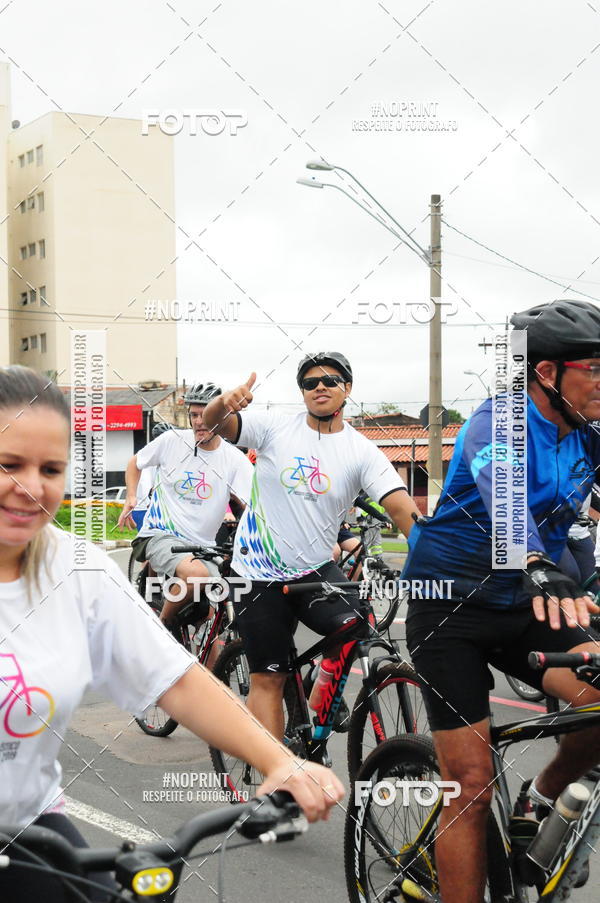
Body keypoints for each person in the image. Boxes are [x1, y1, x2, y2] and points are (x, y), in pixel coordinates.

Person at [0, 366, 344, 903]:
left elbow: (178, 680)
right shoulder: (171, 442)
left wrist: (281, 761)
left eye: (51, 468)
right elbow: (141, 461)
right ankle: (168, 616)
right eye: (8, 464)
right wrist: (135, 500)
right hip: (165, 539)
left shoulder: (76, 568)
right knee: (193, 576)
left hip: (28, 826)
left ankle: (158, 633)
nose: (31, 486)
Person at [403, 299, 600, 903]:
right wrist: (540, 564)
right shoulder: (500, 421)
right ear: (547, 372)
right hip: (450, 606)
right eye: (595, 367)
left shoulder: (588, 433)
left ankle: (539, 799)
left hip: (521, 603)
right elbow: (510, 507)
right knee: (468, 783)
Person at [203, 352, 420, 739]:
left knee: (359, 627)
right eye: (309, 382)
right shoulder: (273, 427)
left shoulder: (361, 451)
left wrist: (432, 562)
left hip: (314, 569)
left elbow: (402, 509)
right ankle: (276, 787)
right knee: (269, 678)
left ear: (347, 389)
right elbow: (215, 422)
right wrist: (223, 403)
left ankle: (318, 707)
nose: (320, 386)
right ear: (302, 392)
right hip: (256, 573)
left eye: (331, 380)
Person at [118, 383, 253, 626]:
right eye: (194, 415)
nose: (199, 421)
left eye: (206, 415)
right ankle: (161, 627)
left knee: (211, 614)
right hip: (160, 534)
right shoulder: (171, 441)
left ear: (223, 418)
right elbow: (134, 463)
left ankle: (210, 664)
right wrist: (131, 497)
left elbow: (256, 504)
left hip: (205, 547)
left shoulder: (234, 459)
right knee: (196, 576)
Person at [130, 421, 173, 531]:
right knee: (147, 540)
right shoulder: (149, 457)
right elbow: (145, 484)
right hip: (144, 507)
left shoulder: (168, 457)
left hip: (160, 507)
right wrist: (150, 503)